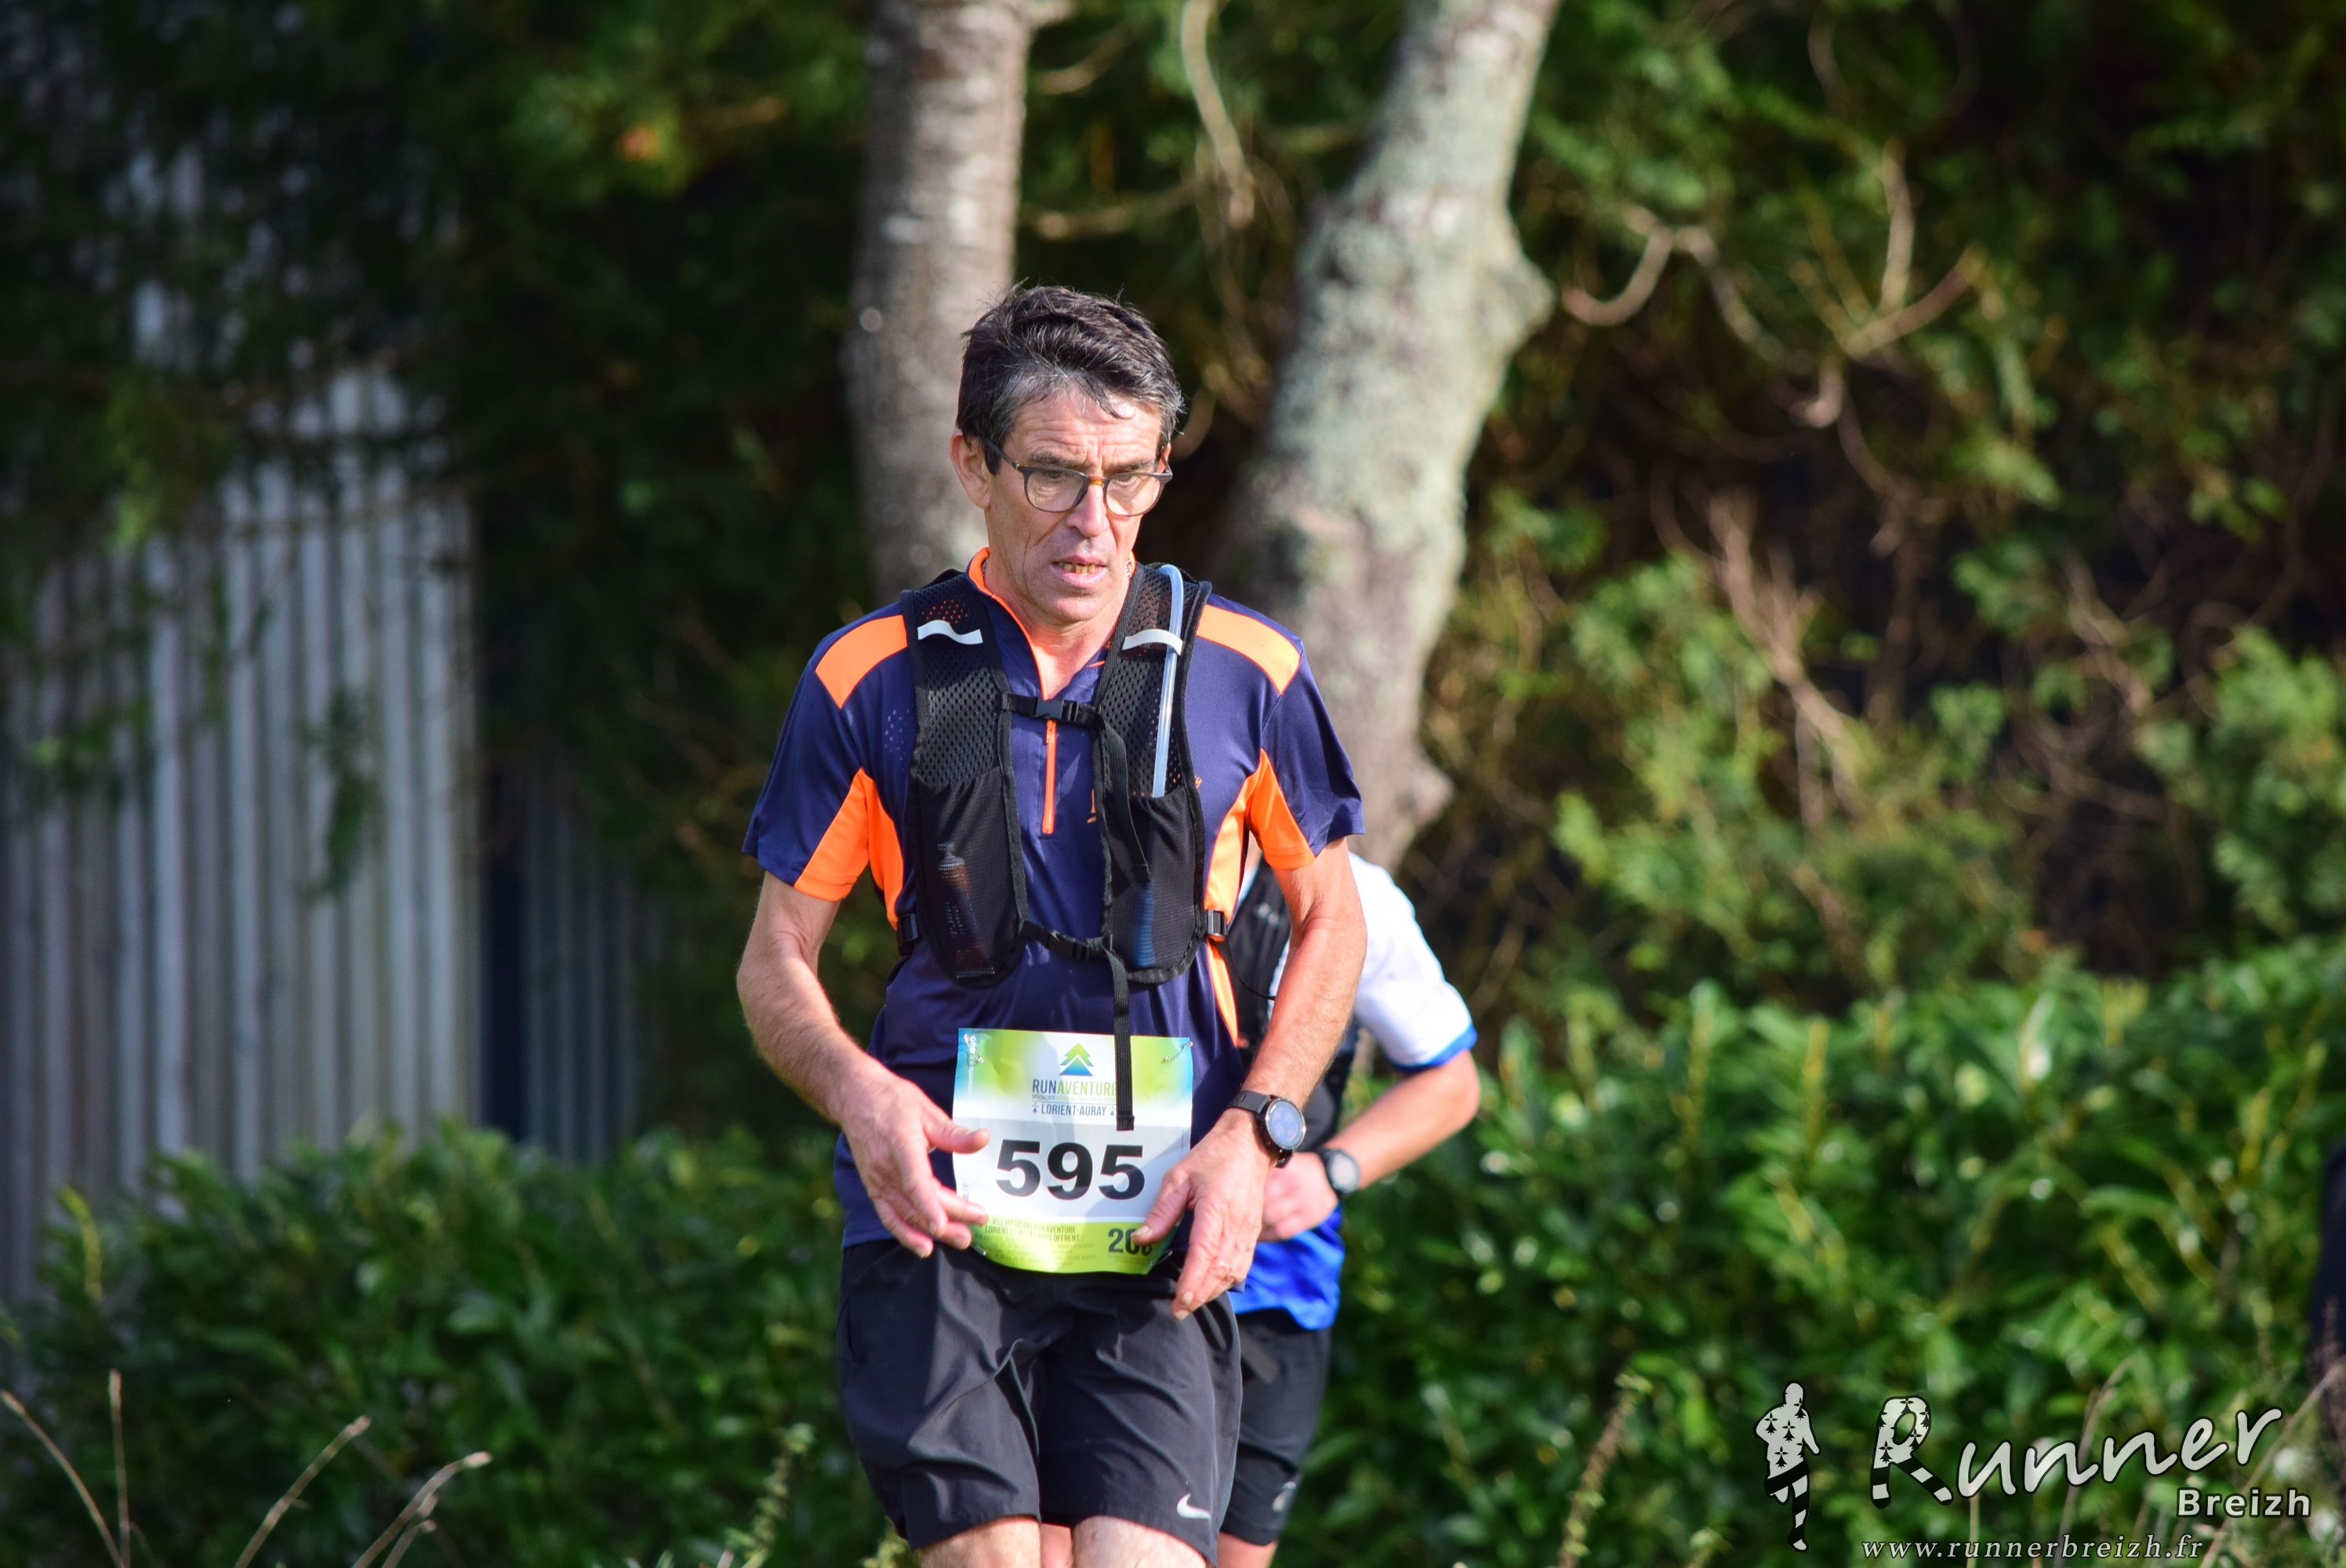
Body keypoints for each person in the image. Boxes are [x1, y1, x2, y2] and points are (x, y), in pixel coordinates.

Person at [735, 284, 1367, 1568]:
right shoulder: (872, 675)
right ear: (973, 465)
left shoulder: (1246, 671)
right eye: (1053, 477)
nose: (1094, 522)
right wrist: (860, 1099)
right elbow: (773, 960)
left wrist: (1256, 1134)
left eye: (1128, 481)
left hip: (1161, 1215)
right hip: (944, 1214)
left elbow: (1334, 926)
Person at [1042, 848, 1481, 1567]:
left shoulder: (1357, 902)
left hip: (1272, 1294)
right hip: (1101, 1273)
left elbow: (1452, 1083)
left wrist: (1333, 1171)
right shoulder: (1090, 860)